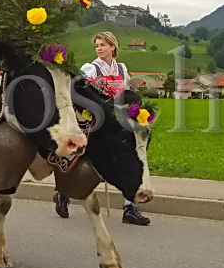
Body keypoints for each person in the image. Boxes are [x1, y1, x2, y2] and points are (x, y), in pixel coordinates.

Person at [53, 30, 151, 225]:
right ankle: (63, 192)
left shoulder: (121, 69)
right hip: (93, 118)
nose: (99, 49)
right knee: (85, 158)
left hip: (116, 120)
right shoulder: (90, 69)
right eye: (97, 45)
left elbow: (128, 93)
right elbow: (77, 92)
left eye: (102, 45)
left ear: (112, 47)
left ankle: (129, 207)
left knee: (129, 156)